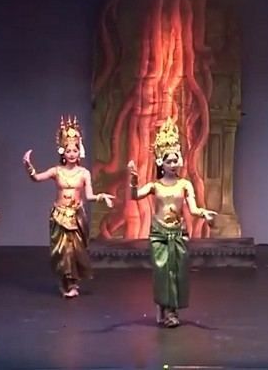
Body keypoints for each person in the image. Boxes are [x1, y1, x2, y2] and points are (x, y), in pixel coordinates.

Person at [127, 117, 217, 328]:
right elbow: (135, 196)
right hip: (159, 234)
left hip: (178, 233)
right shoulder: (155, 186)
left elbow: (193, 209)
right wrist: (133, 181)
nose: (173, 164)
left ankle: (172, 310)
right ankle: (165, 308)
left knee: (176, 273)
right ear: (161, 162)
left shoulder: (185, 185)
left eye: (176, 160)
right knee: (162, 273)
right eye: (169, 161)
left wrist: (204, 214)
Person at [23, 116, 115, 298]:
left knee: (75, 251)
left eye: (74, 150)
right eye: (68, 150)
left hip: (76, 216)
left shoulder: (84, 173)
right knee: (62, 251)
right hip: (59, 215)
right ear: (62, 152)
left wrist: (102, 196)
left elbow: (89, 196)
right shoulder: (56, 171)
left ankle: (73, 283)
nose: (71, 154)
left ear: (79, 151)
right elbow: (36, 178)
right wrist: (29, 167)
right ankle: (64, 282)